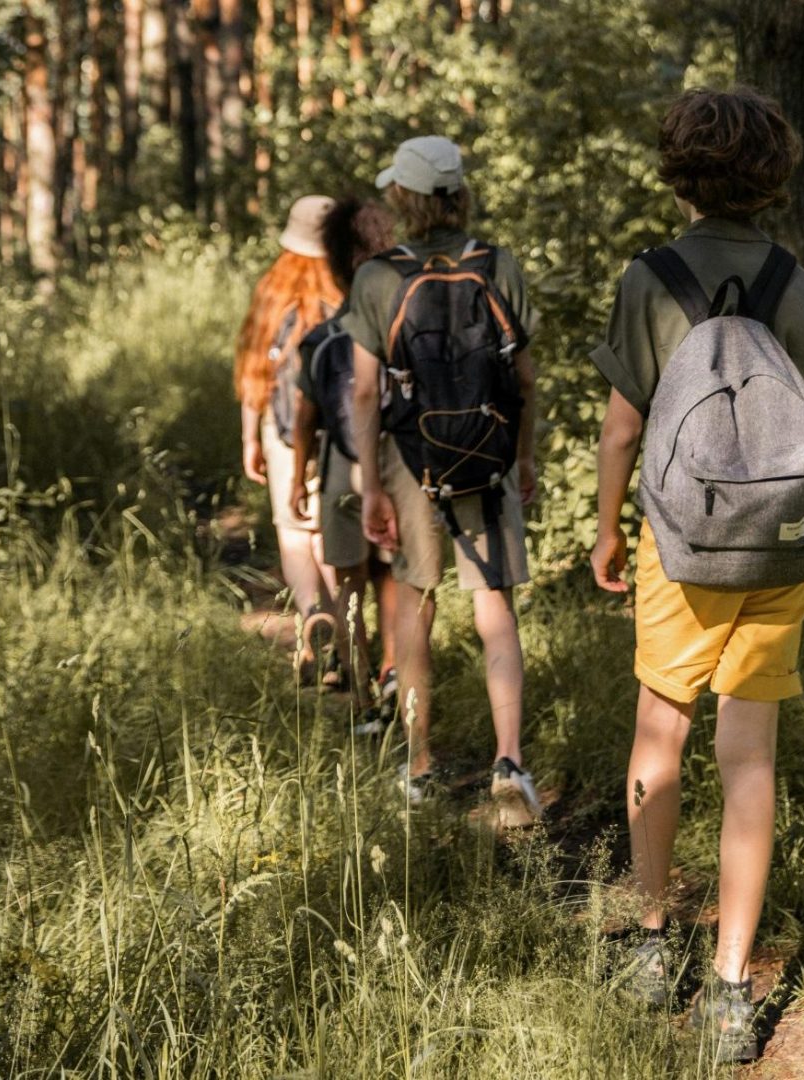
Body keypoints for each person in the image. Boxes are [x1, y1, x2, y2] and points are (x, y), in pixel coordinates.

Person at [588, 88, 804, 1062]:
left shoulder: (651, 278)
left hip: (683, 546)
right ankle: (732, 989)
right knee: (750, 757)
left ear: (678, 171)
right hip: (778, 540)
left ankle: (653, 945)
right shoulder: (793, 280)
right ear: (770, 177)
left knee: (661, 730)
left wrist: (605, 529)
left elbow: (622, 428)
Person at [341, 135, 544, 827]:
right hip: (489, 452)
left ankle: (421, 764)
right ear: (459, 194)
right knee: (495, 606)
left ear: (403, 197)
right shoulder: (497, 264)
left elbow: (363, 393)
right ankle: (510, 762)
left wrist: (372, 486)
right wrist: (524, 457)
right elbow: (524, 378)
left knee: (415, 604)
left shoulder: (377, 278)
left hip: (411, 459)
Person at [288, 195, 402, 730]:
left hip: (340, 467)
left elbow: (305, 416)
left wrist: (297, 479)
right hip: (395, 462)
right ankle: (396, 671)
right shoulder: (398, 327)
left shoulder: (322, 337)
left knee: (350, 583)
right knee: (392, 576)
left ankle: (362, 698)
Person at [234, 195, 341, 677]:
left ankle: (312, 615)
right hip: (339, 432)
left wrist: (250, 439)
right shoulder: (349, 287)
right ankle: (344, 633)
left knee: (293, 530)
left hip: (281, 429)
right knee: (328, 530)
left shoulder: (273, 290)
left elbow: (254, 369)